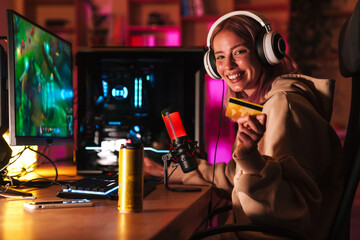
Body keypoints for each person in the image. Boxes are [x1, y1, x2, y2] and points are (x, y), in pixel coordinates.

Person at [144, 11, 344, 239]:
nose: (227, 65)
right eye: (219, 57)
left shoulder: (284, 106)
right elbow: (236, 176)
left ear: (265, 52)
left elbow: (292, 210)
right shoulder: (258, 104)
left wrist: (249, 159)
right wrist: (167, 171)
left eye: (239, 52)